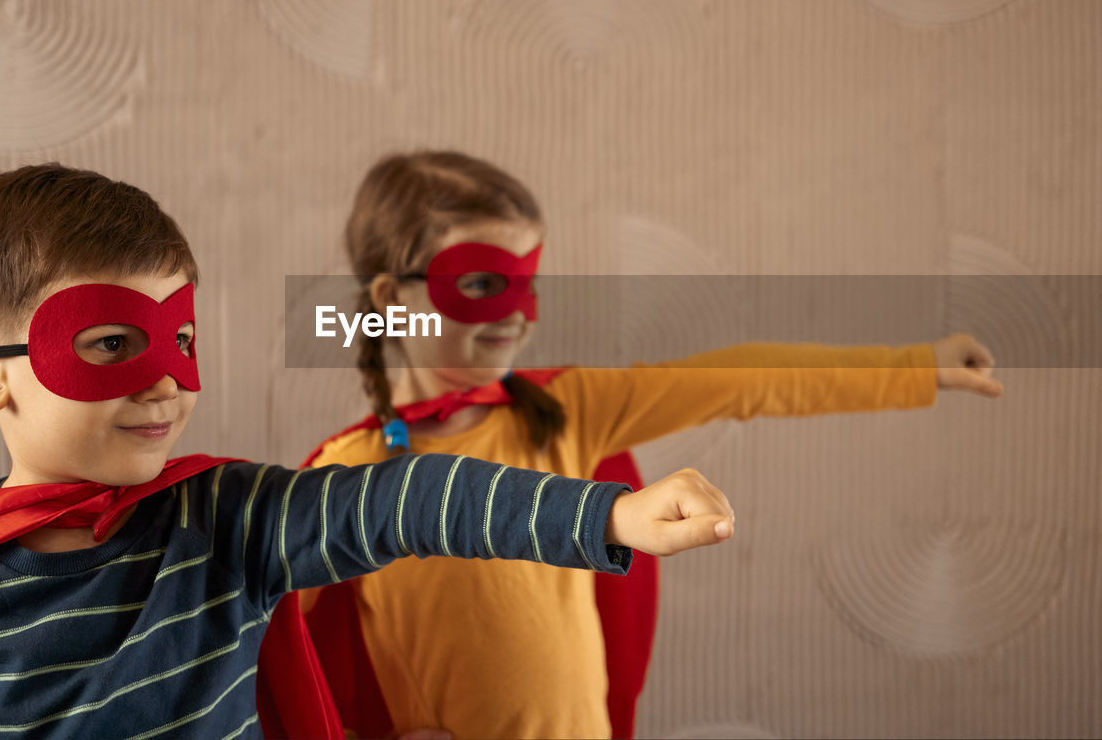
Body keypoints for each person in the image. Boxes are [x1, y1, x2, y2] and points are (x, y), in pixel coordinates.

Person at [0, 163, 739, 740]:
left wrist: (609, 514)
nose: (166, 384)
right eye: (112, 344)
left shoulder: (231, 519)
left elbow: (405, 501)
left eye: (179, 341)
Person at [300, 149, 1004, 740]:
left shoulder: (568, 413)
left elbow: (741, 378)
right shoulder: (345, 477)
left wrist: (914, 368)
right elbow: (270, 649)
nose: (516, 312)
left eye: (528, 281)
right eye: (484, 283)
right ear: (393, 297)